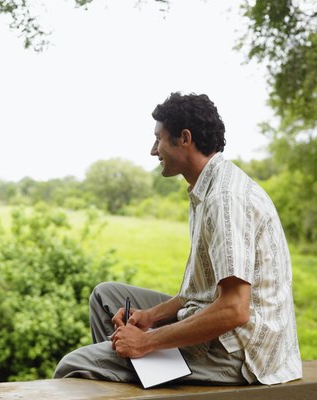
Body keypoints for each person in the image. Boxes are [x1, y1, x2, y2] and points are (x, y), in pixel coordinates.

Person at [53, 92, 302, 385]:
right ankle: (133, 374)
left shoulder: (225, 199)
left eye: (158, 139)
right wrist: (150, 317)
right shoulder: (206, 188)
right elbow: (202, 292)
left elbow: (234, 310)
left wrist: (147, 342)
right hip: (220, 325)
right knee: (105, 295)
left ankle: (130, 366)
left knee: (73, 364)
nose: (153, 150)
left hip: (241, 352)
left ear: (184, 138)